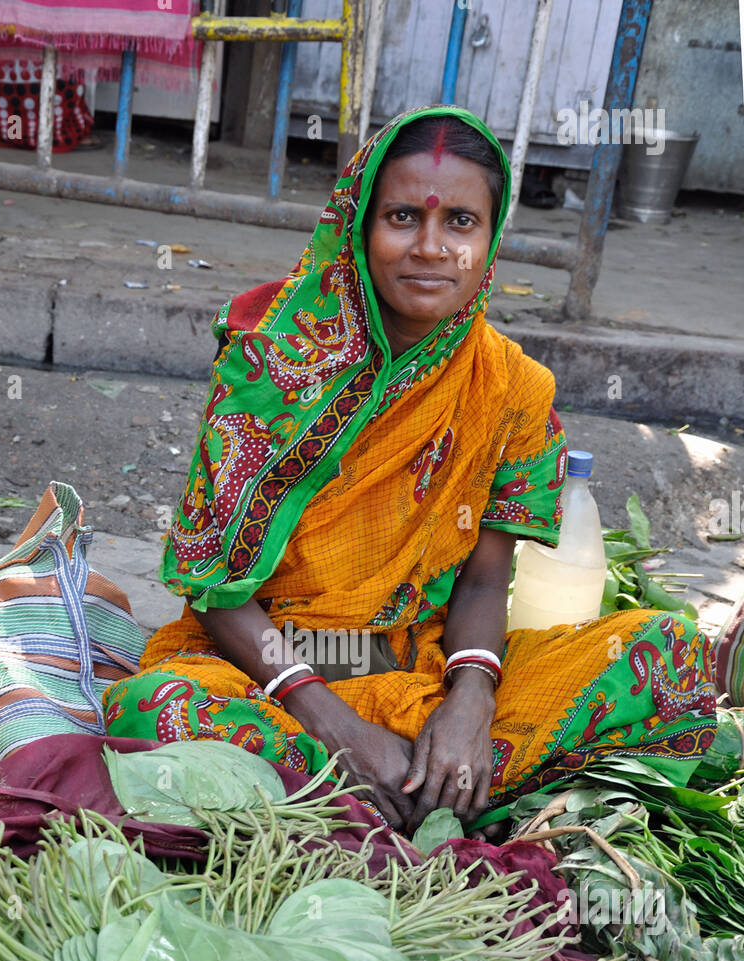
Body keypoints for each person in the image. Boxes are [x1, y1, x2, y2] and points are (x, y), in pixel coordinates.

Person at [103, 106, 716, 836]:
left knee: (665, 656)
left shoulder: (514, 387)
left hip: (414, 670)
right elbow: (211, 585)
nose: (430, 248)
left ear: (491, 240)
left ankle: (392, 785)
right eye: (402, 217)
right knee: (155, 710)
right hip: (260, 670)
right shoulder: (272, 360)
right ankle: (414, 791)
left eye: (461, 222)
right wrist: (330, 722)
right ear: (359, 226)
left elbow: (487, 579)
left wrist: (469, 705)